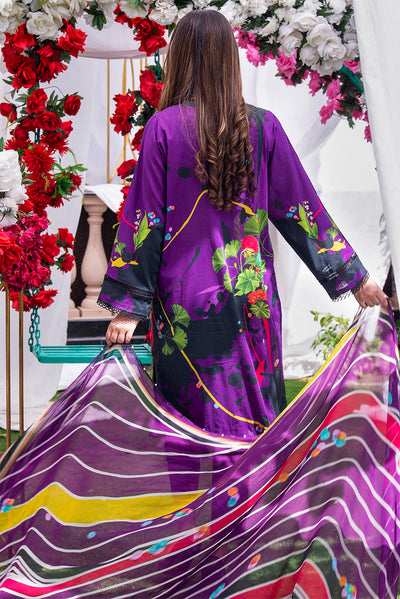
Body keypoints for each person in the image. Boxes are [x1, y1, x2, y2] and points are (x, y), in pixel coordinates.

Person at [98, 10, 386, 439]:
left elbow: (145, 221)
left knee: (190, 426)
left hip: (184, 304)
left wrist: (128, 307)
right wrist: (355, 277)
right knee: (255, 418)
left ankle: (200, 483)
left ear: (179, 59)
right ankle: (255, 482)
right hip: (252, 295)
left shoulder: (163, 129)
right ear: (228, 59)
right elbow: (301, 210)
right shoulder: (263, 127)